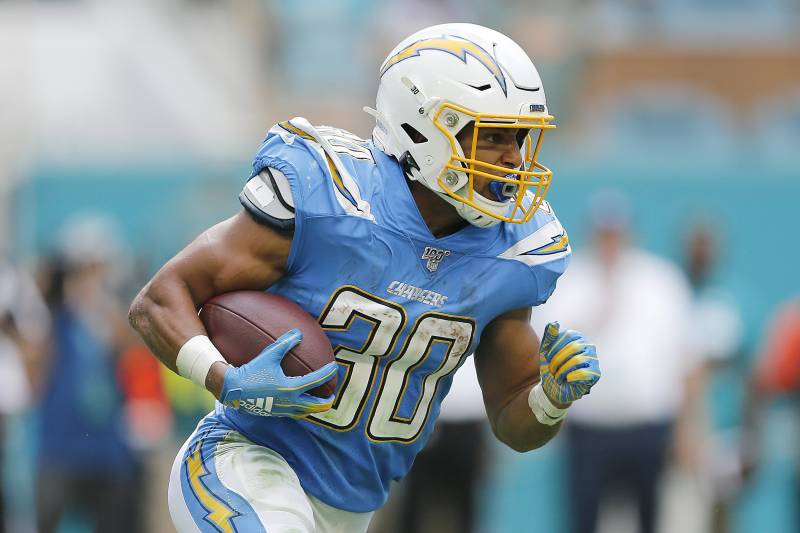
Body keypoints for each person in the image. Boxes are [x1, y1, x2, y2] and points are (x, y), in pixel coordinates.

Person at [129, 23, 601, 533]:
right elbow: (158, 300)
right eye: (493, 137)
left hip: (353, 508)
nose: (514, 157)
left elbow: (513, 414)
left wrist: (550, 399)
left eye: (520, 137)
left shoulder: (514, 251)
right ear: (422, 127)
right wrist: (225, 379)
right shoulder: (332, 198)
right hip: (243, 461)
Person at [532, 191, 695, 533]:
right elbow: (546, 349)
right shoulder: (569, 280)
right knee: (583, 516)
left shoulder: (661, 280)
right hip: (590, 428)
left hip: (648, 425)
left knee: (649, 517)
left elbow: (683, 359)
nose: (610, 242)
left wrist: (685, 428)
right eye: (604, 233)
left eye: (616, 232)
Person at [36, 215, 143, 533]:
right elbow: (37, 368)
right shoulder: (53, 318)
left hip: (108, 450)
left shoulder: (111, 314)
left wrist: (98, 305)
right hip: (59, 449)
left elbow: (128, 349)